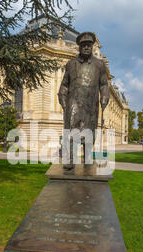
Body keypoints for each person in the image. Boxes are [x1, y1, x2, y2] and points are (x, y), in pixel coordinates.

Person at [58, 31, 110, 170]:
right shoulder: (71, 64)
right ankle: (70, 159)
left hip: (91, 103)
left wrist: (105, 96)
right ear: (79, 47)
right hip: (73, 103)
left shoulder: (99, 65)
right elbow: (64, 84)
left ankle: (87, 158)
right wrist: (63, 100)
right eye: (84, 45)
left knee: (89, 132)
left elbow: (104, 84)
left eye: (89, 45)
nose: (87, 47)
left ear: (92, 46)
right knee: (72, 132)